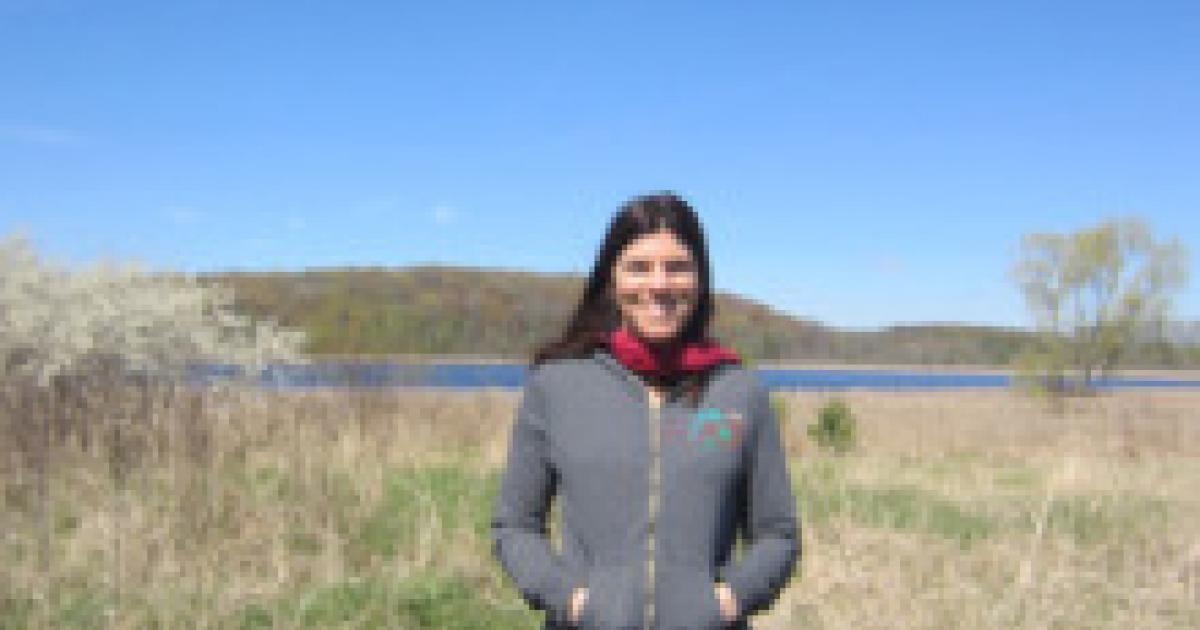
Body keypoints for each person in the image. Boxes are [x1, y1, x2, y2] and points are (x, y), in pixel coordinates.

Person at [490, 191, 800, 629]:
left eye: (677, 267)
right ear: (612, 279)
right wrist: (573, 602)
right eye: (638, 267)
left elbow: (777, 534)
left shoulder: (738, 392)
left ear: (700, 278)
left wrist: (727, 602)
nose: (659, 285)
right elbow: (515, 526)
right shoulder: (557, 385)